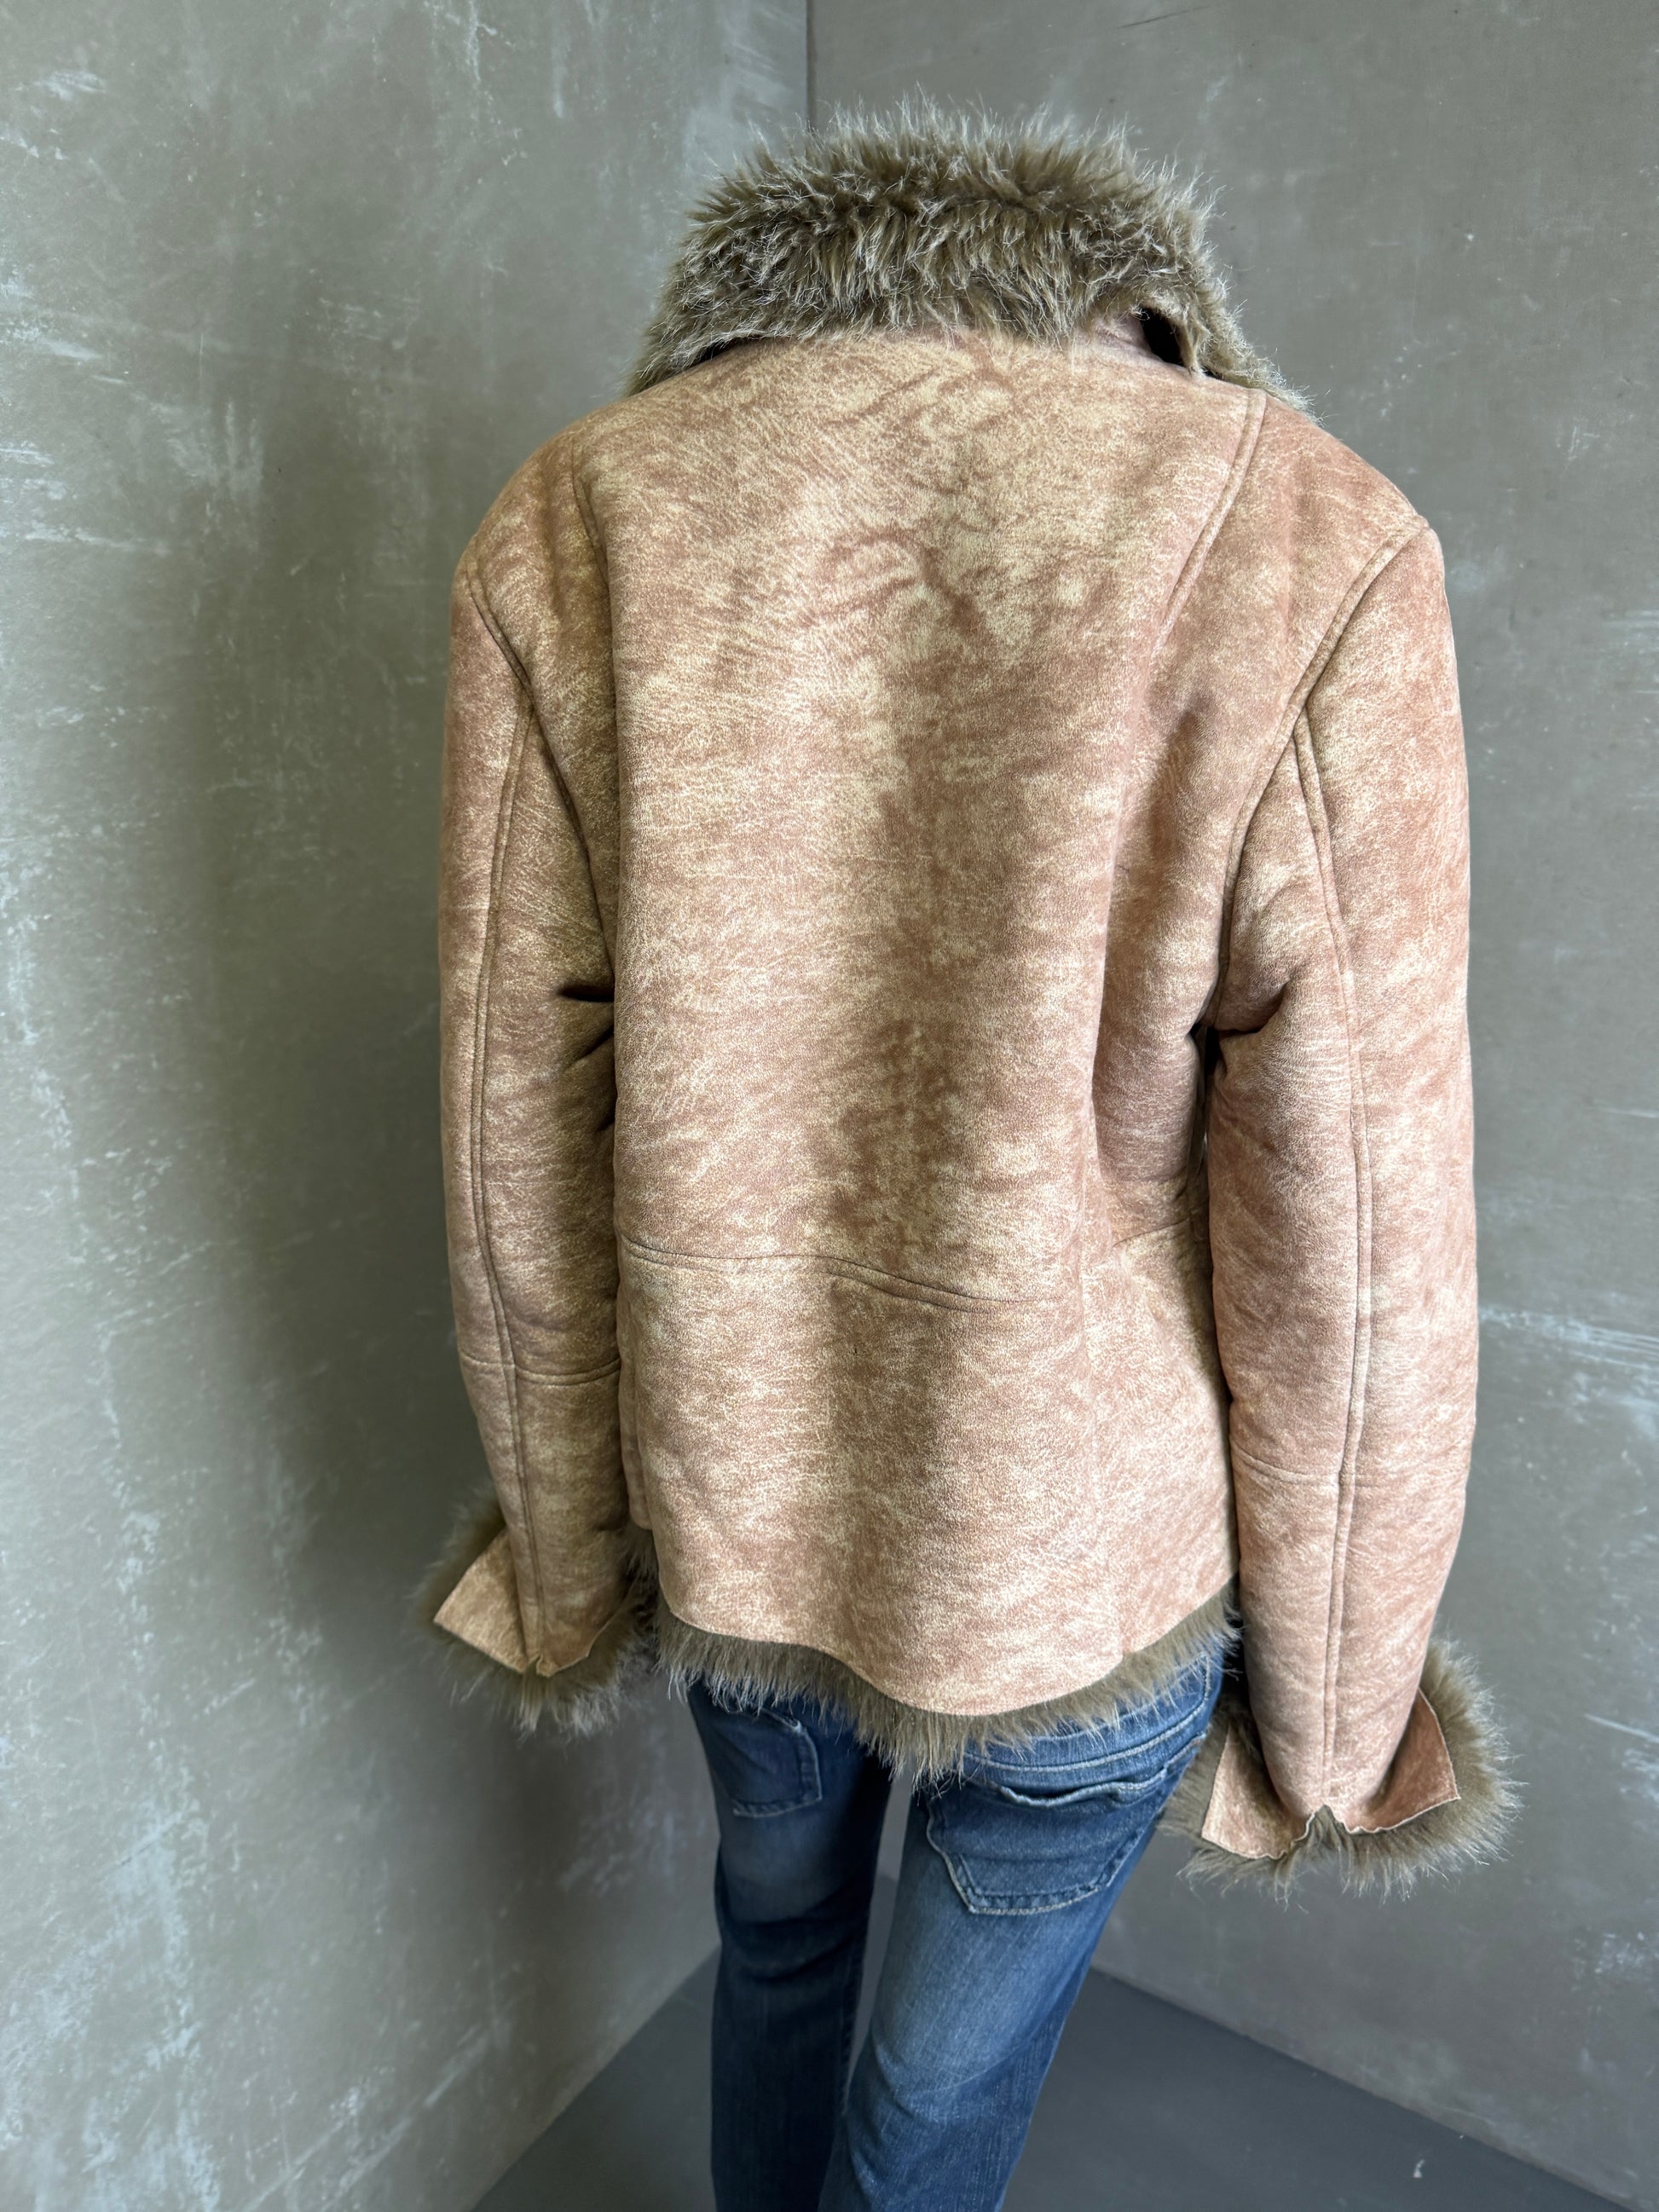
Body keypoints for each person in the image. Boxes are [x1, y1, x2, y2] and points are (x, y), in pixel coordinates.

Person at [423, 108, 1513, 2211]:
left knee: (771, 1942)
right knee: (938, 2092)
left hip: (734, 1500)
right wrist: (1339, 1701)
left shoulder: (581, 518)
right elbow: (1360, 1220)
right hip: (1077, 1552)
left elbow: (509, 1130)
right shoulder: (1298, 530)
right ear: (1142, 289)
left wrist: (567, 1553)